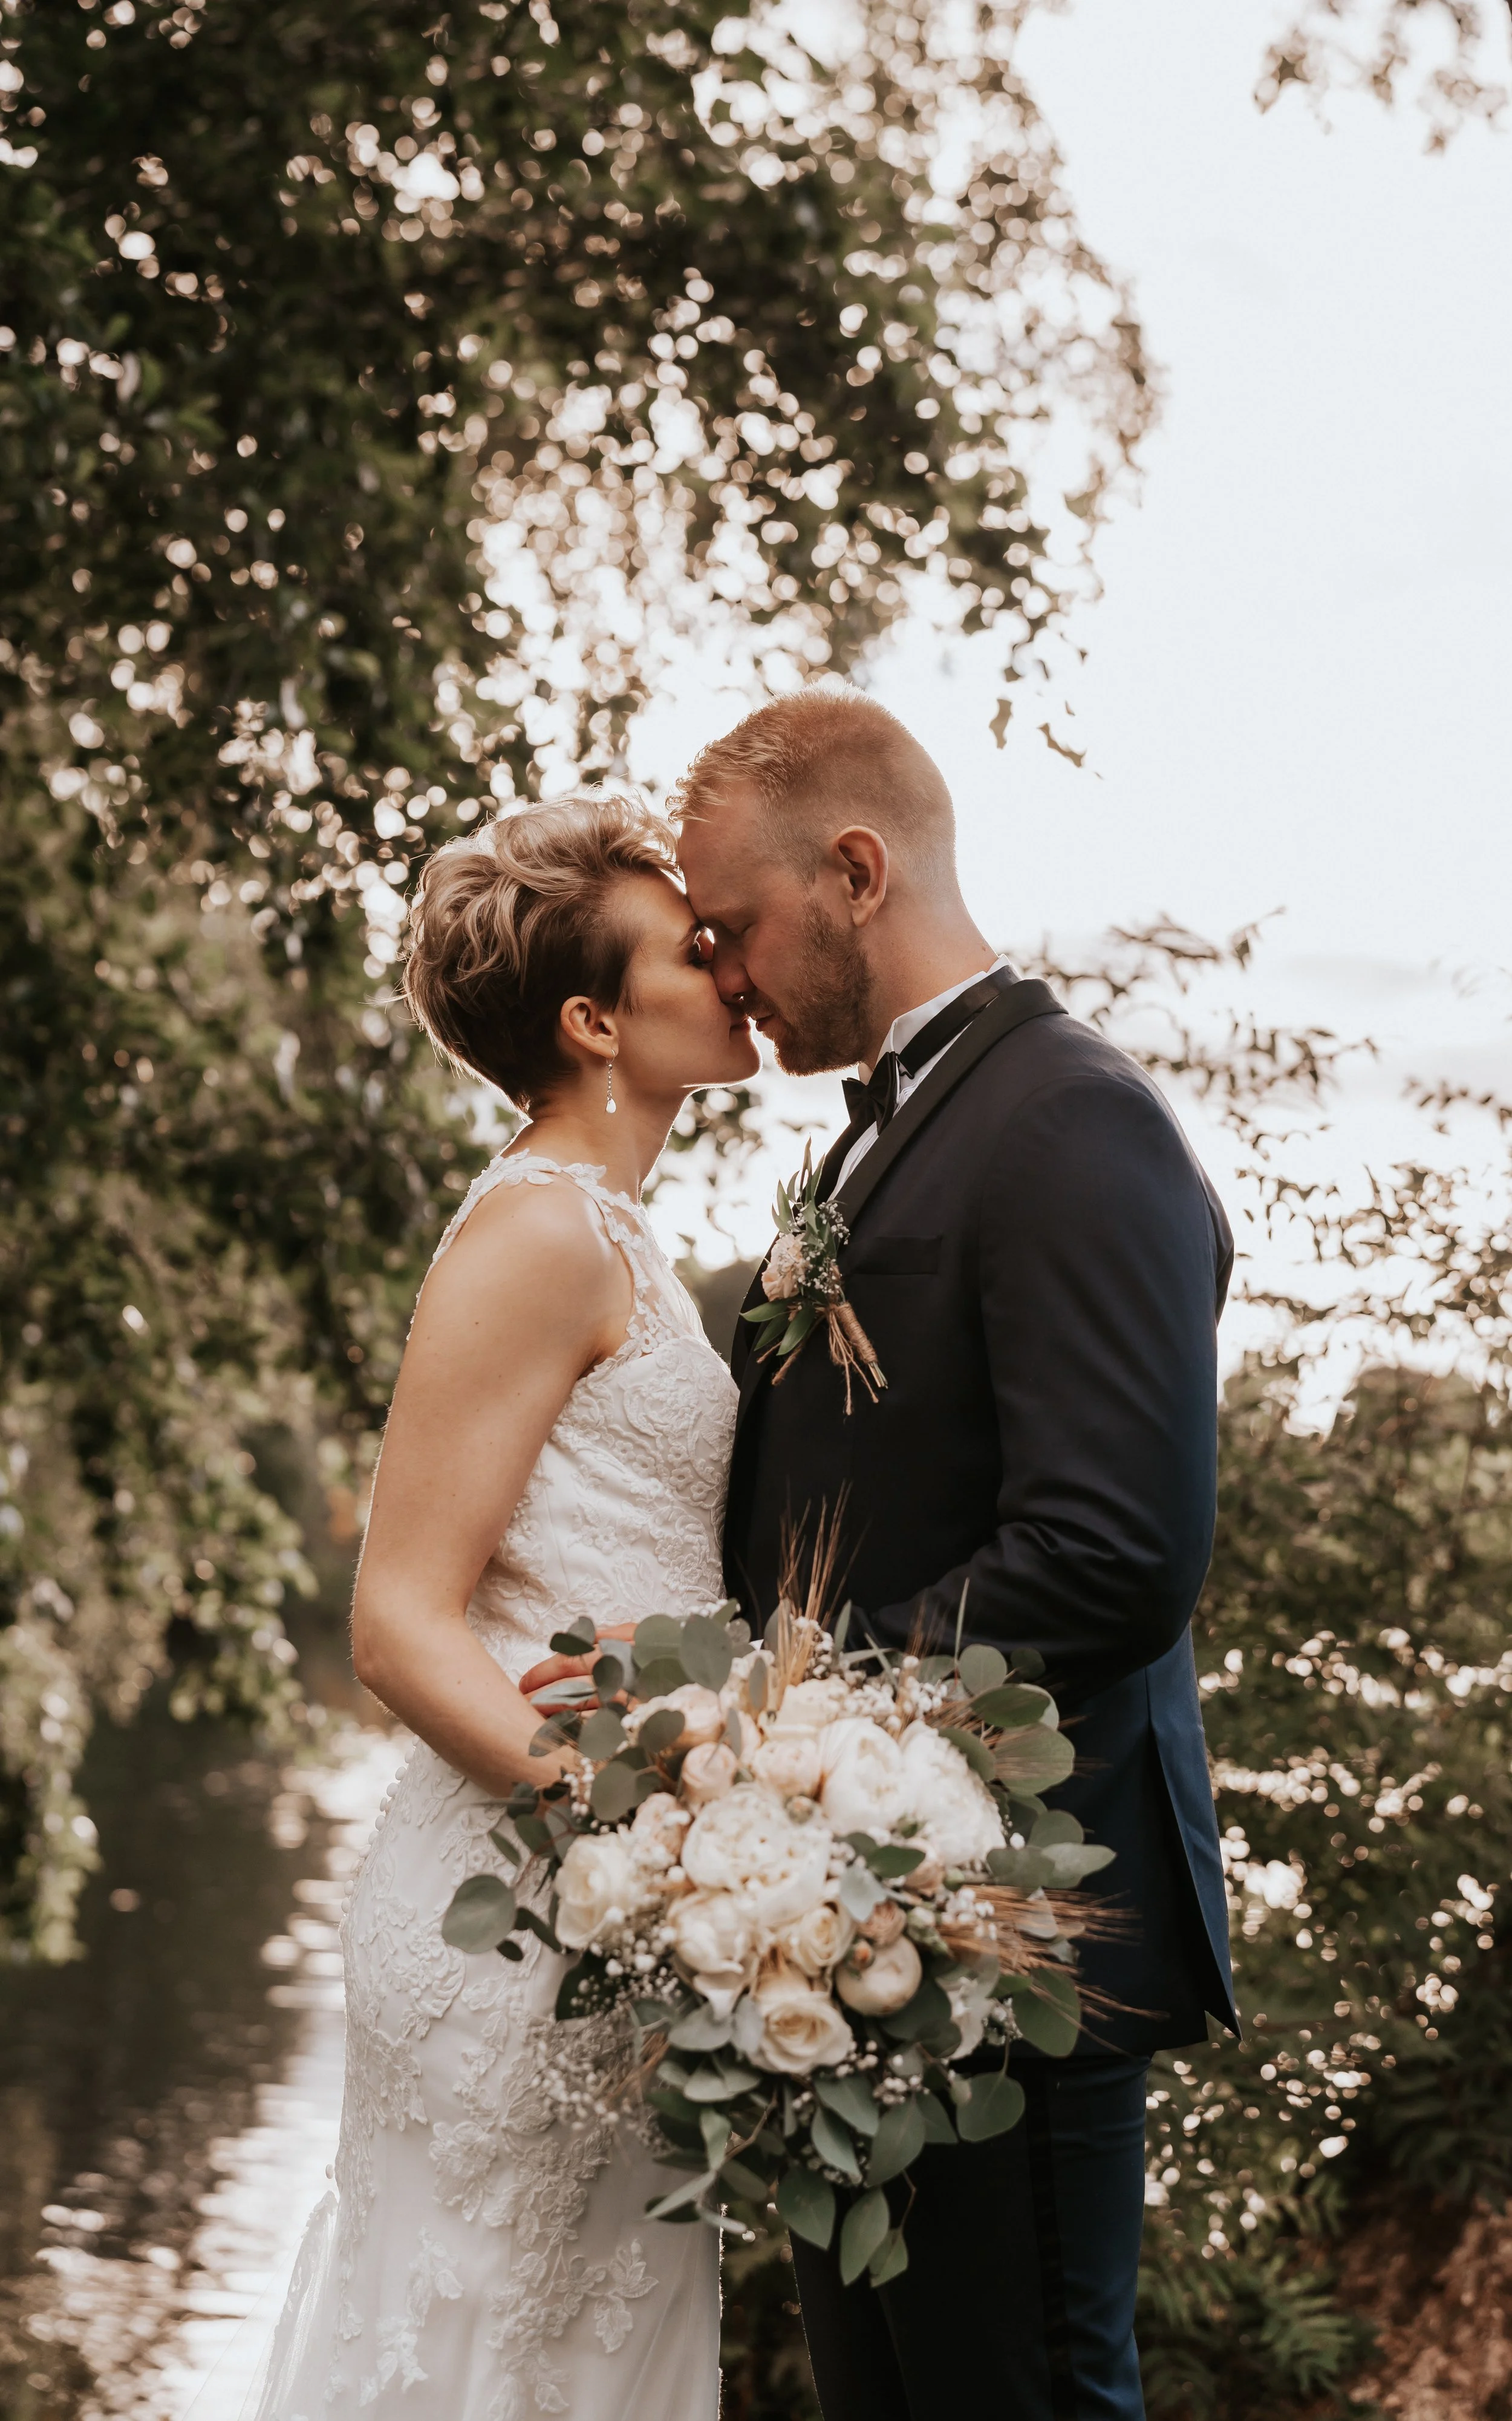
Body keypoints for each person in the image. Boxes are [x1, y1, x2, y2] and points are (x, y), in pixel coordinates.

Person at [673, 683, 1237, 2421]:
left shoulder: (1069, 1120)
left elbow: (1109, 1549)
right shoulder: (886, 1131)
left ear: (854, 869)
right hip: (871, 1927)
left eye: (735, 925)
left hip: (1026, 1930)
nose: (721, 969)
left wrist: (787, 1729)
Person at [247, 792, 755, 2420]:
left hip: (590, 1908)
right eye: (695, 945)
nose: (732, 963)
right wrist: (637, 1843)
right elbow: (399, 1624)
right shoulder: (538, 1229)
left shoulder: (614, 1232)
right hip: (525, 1904)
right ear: (595, 1020)